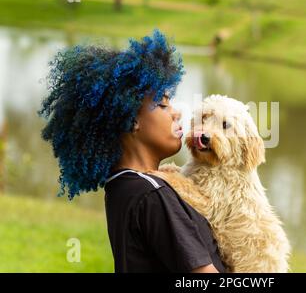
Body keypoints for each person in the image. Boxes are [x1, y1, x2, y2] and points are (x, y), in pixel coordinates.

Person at [38, 30, 226, 273]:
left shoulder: (122, 186)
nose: (176, 113)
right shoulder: (152, 194)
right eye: (162, 104)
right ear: (131, 120)